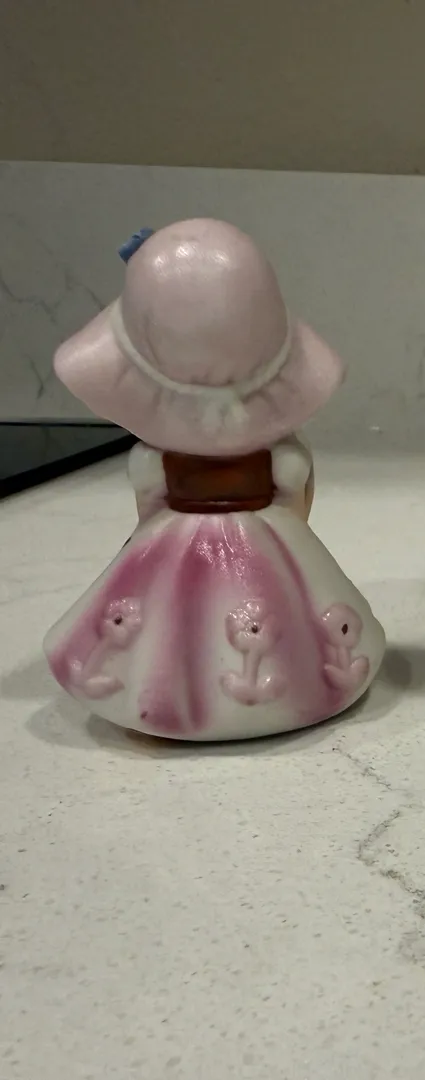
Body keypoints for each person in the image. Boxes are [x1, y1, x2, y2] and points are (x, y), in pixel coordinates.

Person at [43, 220, 384, 740]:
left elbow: (149, 500)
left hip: (196, 536)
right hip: (256, 536)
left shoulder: (165, 462)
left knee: (221, 623)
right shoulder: (271, 459)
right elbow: (295, 495)